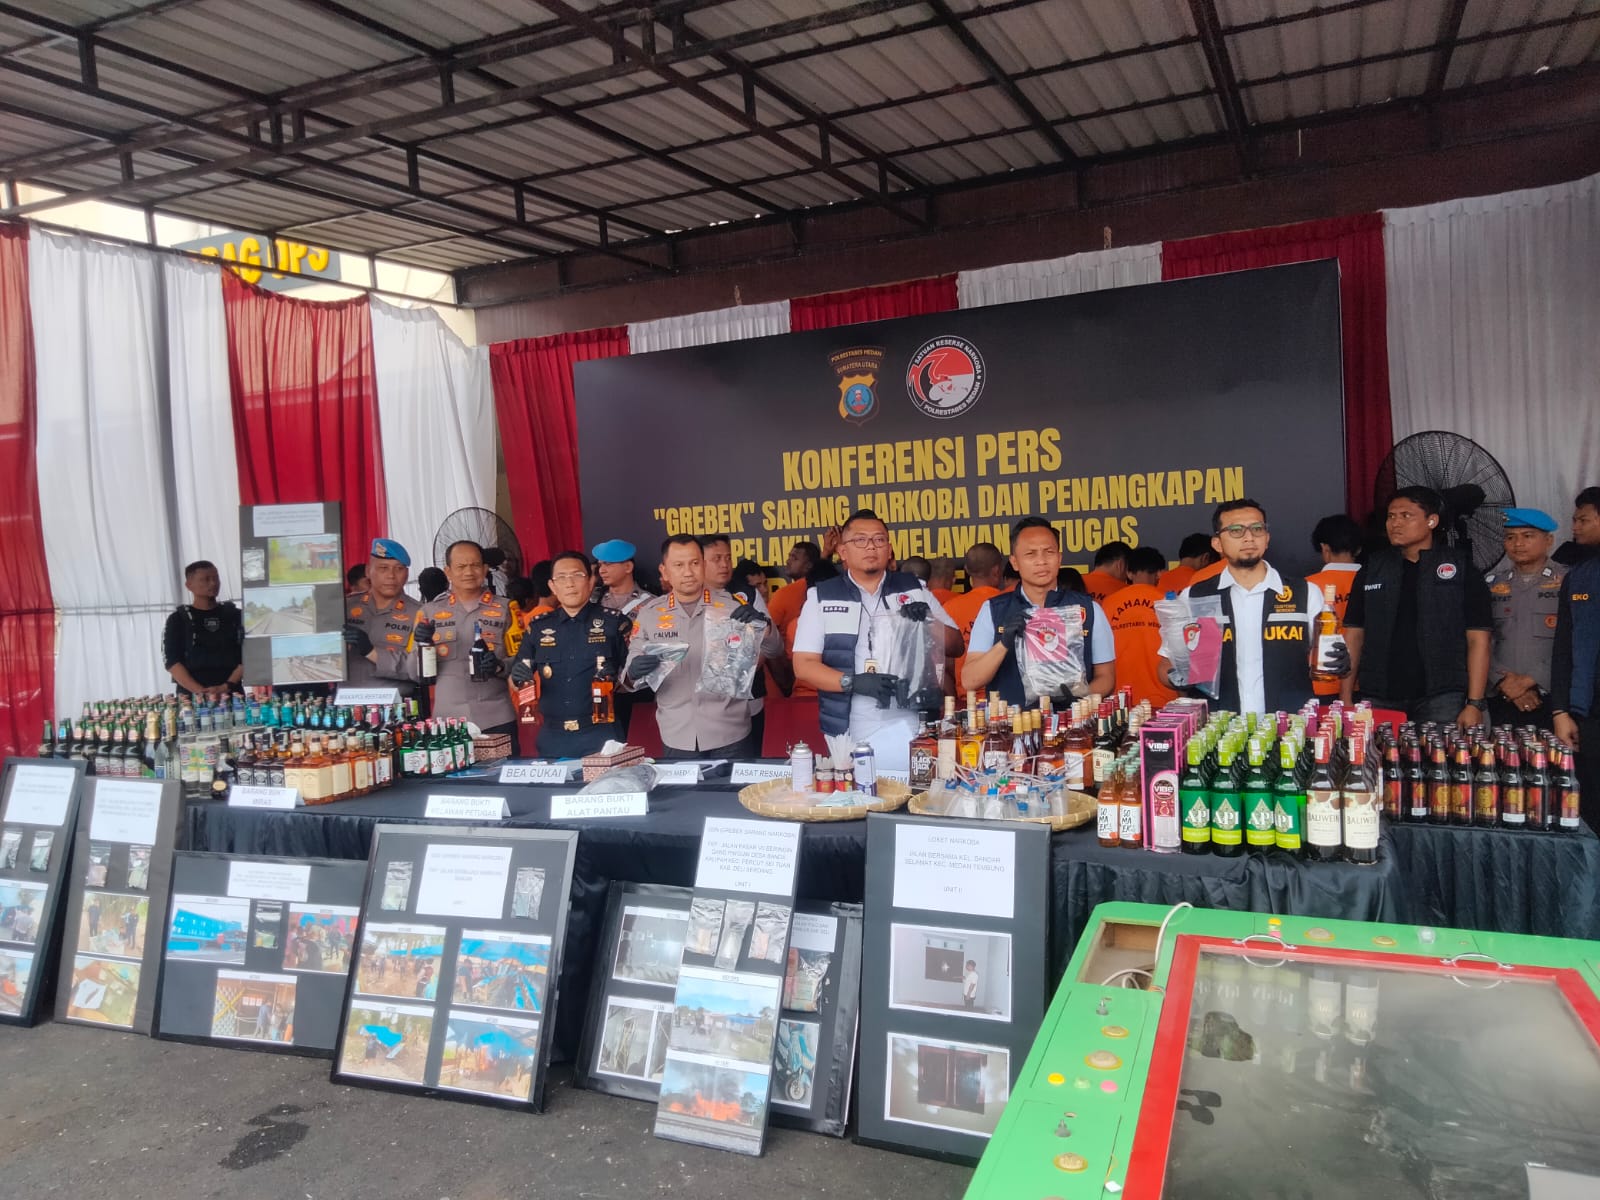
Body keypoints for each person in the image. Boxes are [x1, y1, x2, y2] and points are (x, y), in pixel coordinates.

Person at [792, 510, 963, 772]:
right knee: (861, 792)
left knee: (917, 791)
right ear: (843, 551)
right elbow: (803, 665)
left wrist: (929, 623)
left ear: (889, 549)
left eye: (879, 539)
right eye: (860, 540)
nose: (871, 546)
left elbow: (956, 645)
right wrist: (852, 682)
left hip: (913, 722)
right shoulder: (822, 597)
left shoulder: (914, 589)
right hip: (850, 726)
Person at [1165, 499, 1342, 714]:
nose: (1249, 537)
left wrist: (1339, 661)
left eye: (1257, 529)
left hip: (1289, 727)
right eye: (1236, 530)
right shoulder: (1195, 596)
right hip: (1218, 728)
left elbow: (1330, 655)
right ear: (1217, 544)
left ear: (1267, 538)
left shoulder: (1305, 593)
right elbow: (1166, 664)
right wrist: (1178, 677)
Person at [1341, 487, 1493, 726]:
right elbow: (1354, 635)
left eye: (1406, 515)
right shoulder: (1373, 568)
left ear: (1432, 521)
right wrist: (1345, 696)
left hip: (1443, 696)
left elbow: (1478, 639)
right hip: (1379, 695)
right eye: (1391, 516)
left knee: (1442, 753)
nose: (1395, 523)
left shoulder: (1460, 567)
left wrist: (1475, 703)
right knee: (1376, 752)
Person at [624, 536, 781, 758]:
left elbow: (775, 650)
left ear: (704, 565)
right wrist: (633, 670)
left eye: (694, 563)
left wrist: (763, 626)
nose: (688, 572)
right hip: (677, 734)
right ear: (664, 571)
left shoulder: (732, 606)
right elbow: (629, 672)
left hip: (730, 732)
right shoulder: (649, 614)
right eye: (679, 565)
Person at [962, 517, 1115, 705]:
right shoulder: (994, 610)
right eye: (1030, 554)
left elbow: (1107, 677)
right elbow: (970, 680)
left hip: (1072, 721)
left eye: (1049, 552)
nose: (1041, 561)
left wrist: (1082, 695)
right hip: (1013, 721)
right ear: (1015, 562)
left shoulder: (1088, 609)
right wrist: (1003, 644)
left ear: (1059, 558)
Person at [509, 550, 634, 758]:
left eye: (577, 575)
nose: (569, 583)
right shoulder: (538, 628)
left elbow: (633, 680)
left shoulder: (614, 623)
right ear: (552, 586)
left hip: (601, 734)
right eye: (562, 577)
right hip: (553, 736)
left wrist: (616, 680)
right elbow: (516, 678)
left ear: (591, 581)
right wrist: (517, 677)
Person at [702, 534, 794, 753]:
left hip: (747, 701)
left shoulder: (747, 594)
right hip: (701, 707)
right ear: (699, 562)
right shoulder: (687, 596)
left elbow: (772, 646)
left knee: (746, 762)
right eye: (717, 559)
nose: (724, 564)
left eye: (728, 558)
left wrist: (746, 666)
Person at [414, 540, 516, 736]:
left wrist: (499, 666)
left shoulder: (507, 609)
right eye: (461, 566)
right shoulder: (428, 613)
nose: (469, 572)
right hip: (448, 721)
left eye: (475, 565)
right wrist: (422, 645)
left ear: (485, 569)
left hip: (496, 717)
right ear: (448, 572)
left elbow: (523, 660)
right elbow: (412, 671)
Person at [1485, 508, 1567, 729]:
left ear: (1548, 540)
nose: (1518, 544)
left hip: (1555, 695)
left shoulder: (1569, 582)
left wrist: (1531, 680)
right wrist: (1505, 683)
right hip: (1502, 694)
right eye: (1510, 537)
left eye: (1527, 536)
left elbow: (1575, 642)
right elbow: (1480, 641)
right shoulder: (1491, 584)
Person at [1552, 529, 1600, 827]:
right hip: (1590, 712)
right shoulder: (1579, 577)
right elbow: (1563, 650)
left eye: (1585, 518)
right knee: (1591, 807)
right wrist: (1560, 711)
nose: (1576, 526)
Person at [341, 538, 423, 700]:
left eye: (399, 569)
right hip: (346, 704)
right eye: (383, 568)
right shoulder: (346, 608)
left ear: (407, 574)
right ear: (368, 571)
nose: (391, 576)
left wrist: (372, 652)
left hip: (397, 705)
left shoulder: (419, 613)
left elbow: (420, 669)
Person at [1107, 545, 1179, 709]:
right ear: (1160, 573)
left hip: (1121, 701)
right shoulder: (1170, 604)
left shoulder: (1108, 603)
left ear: (1129, 573)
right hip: (1165, 699)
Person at [162, 560, 243, 698]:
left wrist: (226, 687)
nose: (213, 583)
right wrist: (200, 691)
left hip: (231, 692)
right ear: (189, 585)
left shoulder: (236, 615)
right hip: (191, 695)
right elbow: (171, 661)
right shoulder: (178, 619)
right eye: (206, 579)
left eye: (216, 578)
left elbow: (248, 655)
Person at [1306, 514, 1365, 698]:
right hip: (1365, 683)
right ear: (1358, 549)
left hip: (1321, 682)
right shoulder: (1373, 581)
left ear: (1325, 549)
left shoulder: (1306, 586)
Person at [943, 542, 1006, 693]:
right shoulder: (1008, 604)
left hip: (966, 698)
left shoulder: (950, 607)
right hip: (1002, 699)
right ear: (997, 570)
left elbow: (946, 662)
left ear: (966, 570)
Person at [593, 539, 653, 617]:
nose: (601, 570)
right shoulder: (593, 599)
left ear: (628, 567)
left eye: (607, 564)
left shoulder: (650, 603)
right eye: (600, 565)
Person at [1552, 486, 1600, 567]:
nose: (1574, 527)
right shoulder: (1566, 551)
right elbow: (1546, 573)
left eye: (1583, 520)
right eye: (1574, 521)